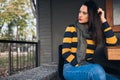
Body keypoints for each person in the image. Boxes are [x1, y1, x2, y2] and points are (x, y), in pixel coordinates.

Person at [62, 0, 119, 80]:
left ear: (92, 16)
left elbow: (113, 42)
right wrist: (79, 64)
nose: (80, 15)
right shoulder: (71, 28)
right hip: (71, 67)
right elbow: (65, 52)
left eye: (84, 13)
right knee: (97, 70)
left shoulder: (94, 33)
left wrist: (103, 19)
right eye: (80, 12)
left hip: (89, 66)